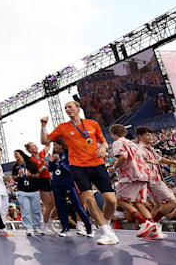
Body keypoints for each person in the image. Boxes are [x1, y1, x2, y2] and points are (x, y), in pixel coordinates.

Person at [40, 103, 119, 246]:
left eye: (70, 107)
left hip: (97, 164)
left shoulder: (92, 124)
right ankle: (106, 232)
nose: (67, 109)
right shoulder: (63, 127)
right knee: (88, 198)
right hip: (78, 166)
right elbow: (44, 141)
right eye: (65, 108)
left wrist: (103, 148)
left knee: (111, 200)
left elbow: (104, 142)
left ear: (78, 108)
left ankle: (106, 223)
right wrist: (43, 126)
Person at [108, 124, 159, 239]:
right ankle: (154, 228)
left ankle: (145, 222)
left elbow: (123, 156)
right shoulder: (133, 144)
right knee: (138, 203)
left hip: (130, 176)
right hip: (143, 175)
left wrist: (114, 167)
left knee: (120, 200)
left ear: (113, 134)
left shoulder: (117, 143)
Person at [135, 126, 176, 239]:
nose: (150, 137)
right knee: (173, 203)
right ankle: (152, 225)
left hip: (157, 178)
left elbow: (160, 159)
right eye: (147, 135)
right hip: (152, 179)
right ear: (140, 136)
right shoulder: (139, 148)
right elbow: (143, 161)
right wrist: (153, 161)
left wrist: (172, 162)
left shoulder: (150, 148)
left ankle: (153, 230)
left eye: (150, 134)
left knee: (158, 205)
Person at [48, 138, 93, 237]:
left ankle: (89, 227)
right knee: (60, 206)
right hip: (56, 183)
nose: (54, 147)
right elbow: (51, 169)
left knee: (77, 205)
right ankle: (65, 228)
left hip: (68, 183)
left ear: (61, 145)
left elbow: (70, 169)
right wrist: (51, 162)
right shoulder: (56, 156)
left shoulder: (69, 155)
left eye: (55, 145)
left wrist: (60, 161)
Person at [25, 142, 56, 235]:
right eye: (33, 146)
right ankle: (44, 225)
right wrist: (44, 166)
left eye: (35, 145)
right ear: (29, 150)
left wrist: (45, 132)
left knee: (56, 203)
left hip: (49, 179)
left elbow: (48, 145)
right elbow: (36, 173)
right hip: (41, 181)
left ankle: (50, 222)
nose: (35, 147)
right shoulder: (30, 160)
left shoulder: (42, 155)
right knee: (49, 204)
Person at [11, 150, 42, 236]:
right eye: (14, 155)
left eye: (16, 154)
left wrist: (30, 175)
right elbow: (14, 178)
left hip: (34, 190)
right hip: (22, 191)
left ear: (21, 154)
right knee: (25, 210)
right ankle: (28, 227)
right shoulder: (15, 166)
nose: (15, 156)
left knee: (36, 210)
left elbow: (38, 175)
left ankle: (37, 227)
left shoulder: (30, 163)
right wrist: (19, 175)